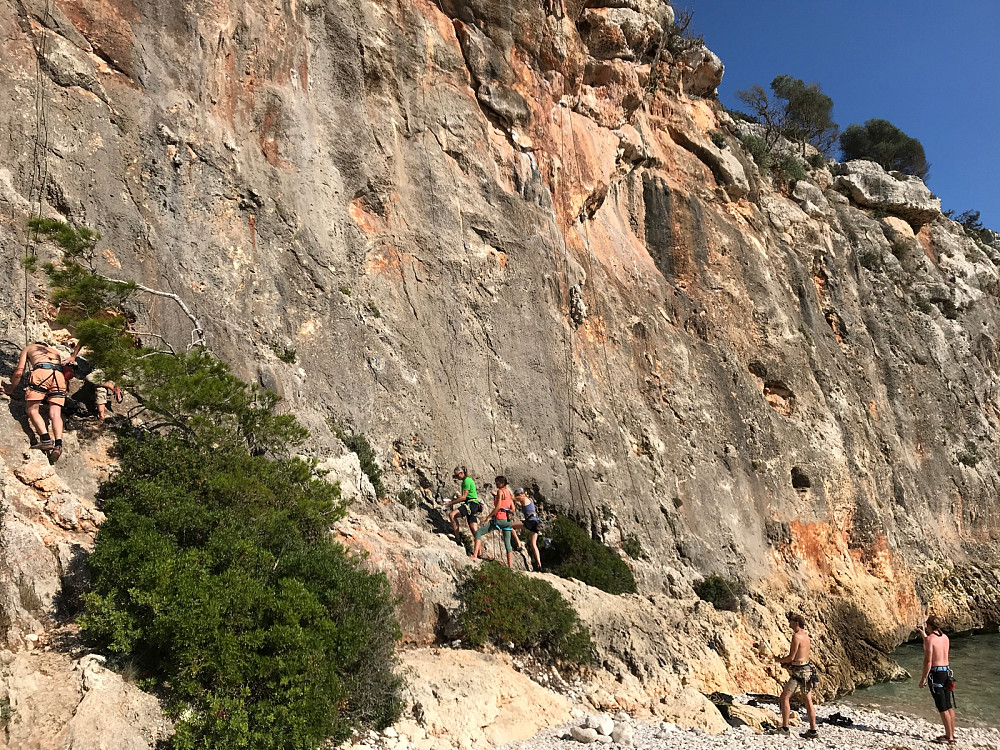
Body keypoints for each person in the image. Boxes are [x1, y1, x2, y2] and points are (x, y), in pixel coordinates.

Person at [2, 341, 70, 461]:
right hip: (59, 376)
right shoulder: (56, 352)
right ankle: (58, 445)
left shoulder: (29, 348)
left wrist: (10, 389)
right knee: (55, 413)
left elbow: (18, 372)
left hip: (41, 373)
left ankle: (46, 440)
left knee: (32, 409)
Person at [771, 612, 819, 739]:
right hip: (807, 671)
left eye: (791, 621)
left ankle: (785, 728)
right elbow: (800, 658)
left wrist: (779, 660)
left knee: (785, 697)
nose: (789, 623)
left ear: (796, 623)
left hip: (799, 673)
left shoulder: (796, 637)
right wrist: (790, 664)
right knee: (808, 700)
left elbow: (791, 657)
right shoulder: (806, 636)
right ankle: (813, 730)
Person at [917, 615, 956, 744]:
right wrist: (923, 634)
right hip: (947, 672)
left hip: (936, 674)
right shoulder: (945, 638)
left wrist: (923, 679)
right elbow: (932, 643)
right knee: (948, 705)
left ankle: (949, 738)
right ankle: (951, 734)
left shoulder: (930, 640)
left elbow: (928, 661)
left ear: (930, 625)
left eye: (926, 625)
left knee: (942, 707)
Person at [470, 475, 516, 568]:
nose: (496, 485)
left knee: (478, 533)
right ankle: (510, 567)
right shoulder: (508, 492)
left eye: (497, 483)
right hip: (507, 520)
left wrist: (489, 516)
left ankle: (474, 556)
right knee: (508, 543)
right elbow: (513, 508)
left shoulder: (500, 491)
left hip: (499, 519)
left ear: (501, 483)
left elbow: (498, 507)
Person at [444, 466, 482, 540]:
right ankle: (479, 551)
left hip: (470, 504)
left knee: (452, 515)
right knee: (474, 530)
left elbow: (464, 497)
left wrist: (451, 503)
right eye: (455, 476)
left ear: (461, 473)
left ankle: (457, 539)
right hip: (474, 504)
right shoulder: (469, 480)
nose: (457, 477)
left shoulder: (466, 481)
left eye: (457, 475)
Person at [512, 487, 542, 570]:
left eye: (518, 495)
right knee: (533, 544)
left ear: (520, 494)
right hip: (536, 522)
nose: (518, 496)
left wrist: (498, 494)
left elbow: (512, 498)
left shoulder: (523, 497)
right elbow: (519, 503)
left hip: (530, 521)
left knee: (510, 526)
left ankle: (518, 544)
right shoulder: (529, 500)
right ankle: (539, 564)